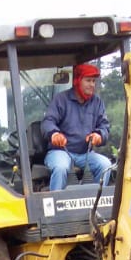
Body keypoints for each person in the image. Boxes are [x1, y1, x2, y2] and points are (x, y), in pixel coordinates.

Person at [41, 62, 112, 191]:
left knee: (105, 165)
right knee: (61, 167)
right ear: (77, 81)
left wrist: (99, 135)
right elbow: (47, 122)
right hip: (61, 151)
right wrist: (54, 134)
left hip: (85, 153)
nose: (92, 85)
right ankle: (56, 205)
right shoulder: (61, 100)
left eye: (94, 81)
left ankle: (94, 203)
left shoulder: (97, 102)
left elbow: (104, 126)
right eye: (88, 80)